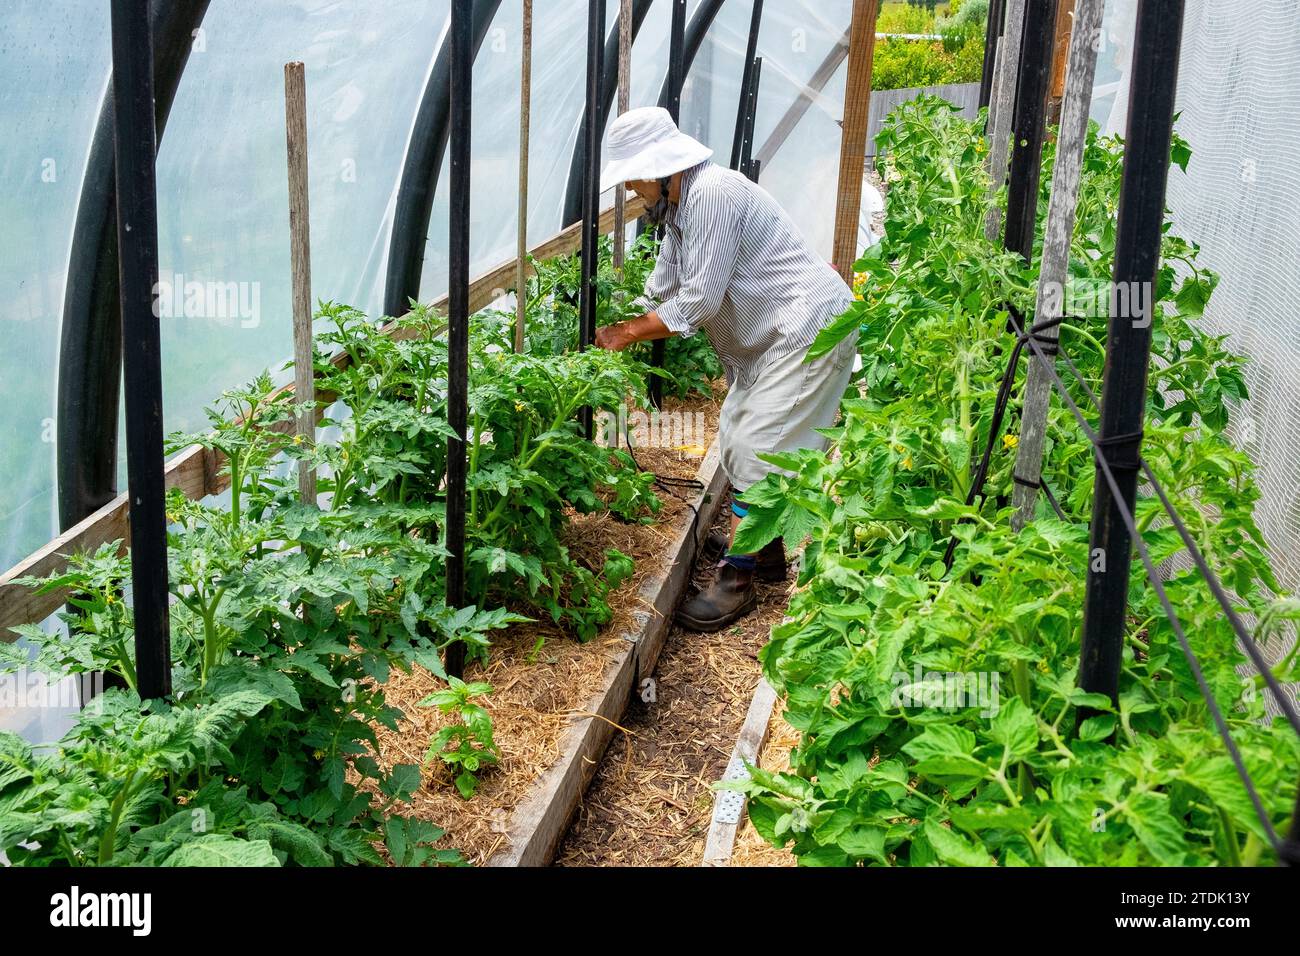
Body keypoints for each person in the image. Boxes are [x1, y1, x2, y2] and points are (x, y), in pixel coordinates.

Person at [594, 106, 857, 631]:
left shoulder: (713, 195)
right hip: (773, 338)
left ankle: (737, 582)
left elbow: (699, 302)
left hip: (807, 328)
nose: (632, 193)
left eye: (632, 181)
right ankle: (766, 550)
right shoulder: (678, 211)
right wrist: (623, 310)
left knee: (758, 447)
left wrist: (624, 334)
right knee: (738, 432)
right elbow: (666, 286)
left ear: (656, 169)